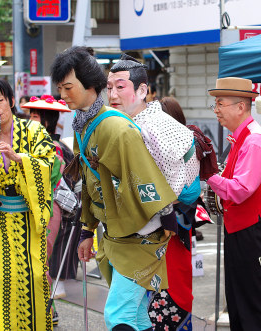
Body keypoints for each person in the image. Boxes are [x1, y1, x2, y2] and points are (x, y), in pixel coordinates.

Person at [51, 46, 177, 331]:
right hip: (116, 234)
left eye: (68, 87)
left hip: (142, 233)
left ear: (90, 85)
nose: (63, 95)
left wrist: (166, 219)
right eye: (60, 88)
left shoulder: (115, 128)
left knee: (117, 314)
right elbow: (89, 184)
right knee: (136, 316)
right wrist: (86, 231)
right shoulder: (84, 125)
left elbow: (144, 174)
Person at [107, 55, 201, 330]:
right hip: (142, 227)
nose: (112, 94)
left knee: (119, 314)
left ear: (142, 90)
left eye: (120, 86)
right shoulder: (131, 122)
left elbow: (171, 186)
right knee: (138, 315)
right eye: (109, 87)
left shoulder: (157, 125)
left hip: (150, 230)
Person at [0, 79, 56, 331]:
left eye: (0, 101)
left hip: (29, 217)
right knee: (7, 280)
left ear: (11, 102)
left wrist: (20, 158)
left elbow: (49, 162)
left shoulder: (34, 131)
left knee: (36, 276)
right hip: (1, 221)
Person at [205, 77, 261, 331]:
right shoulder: (242, 137)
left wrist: (209, 175)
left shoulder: (254, 139)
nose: (216, 110)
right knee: (237, 298)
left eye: (220, 104)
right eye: (216, 104)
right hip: (241, 228)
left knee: (250, 300)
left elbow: (241, 190)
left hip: (251, 230)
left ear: (240, 107)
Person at [22, 95, 81, 325]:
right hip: (31, 205)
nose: (30, 120)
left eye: (35, 116)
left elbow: (51, 179)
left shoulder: (53, 148)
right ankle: (42, 307)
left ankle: (47, 309)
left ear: (46, 120)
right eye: (30, 116)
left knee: (40, 258)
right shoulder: (31, 144)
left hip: (50, 207)